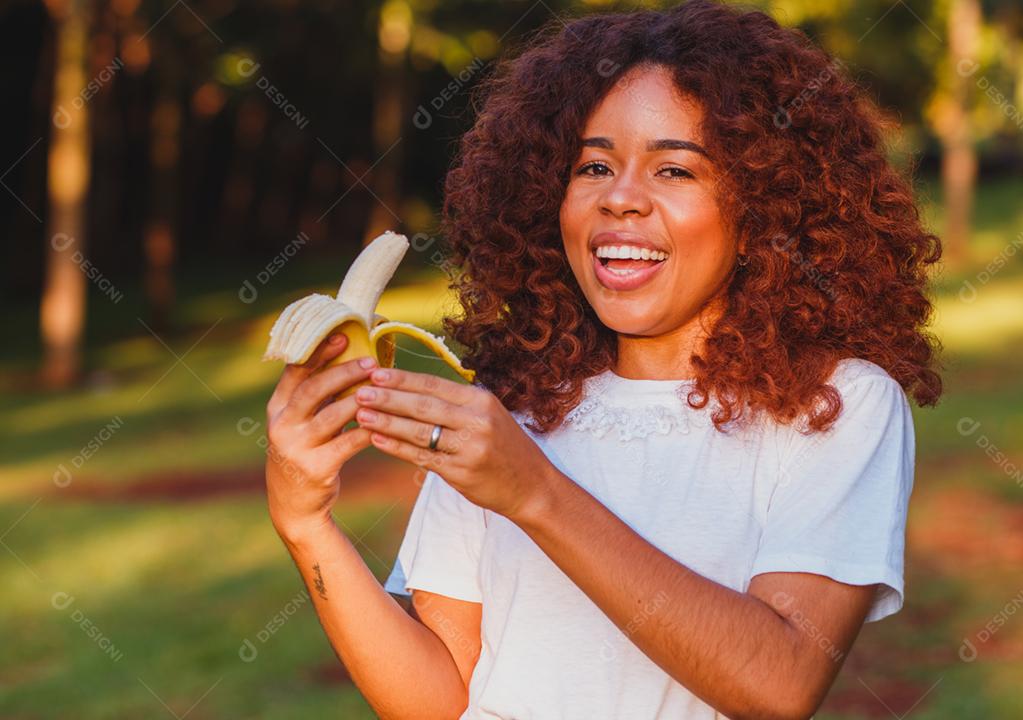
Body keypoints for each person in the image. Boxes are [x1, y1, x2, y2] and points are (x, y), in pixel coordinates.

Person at [262, 1, 943, 718]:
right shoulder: (510, 406)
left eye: (674, 170)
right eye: (593, 165)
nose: (620, 198)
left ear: (764, 207)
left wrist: (534, 493)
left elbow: (779, 681)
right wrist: (307, 526)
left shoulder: (835, 405)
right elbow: (438, 698)